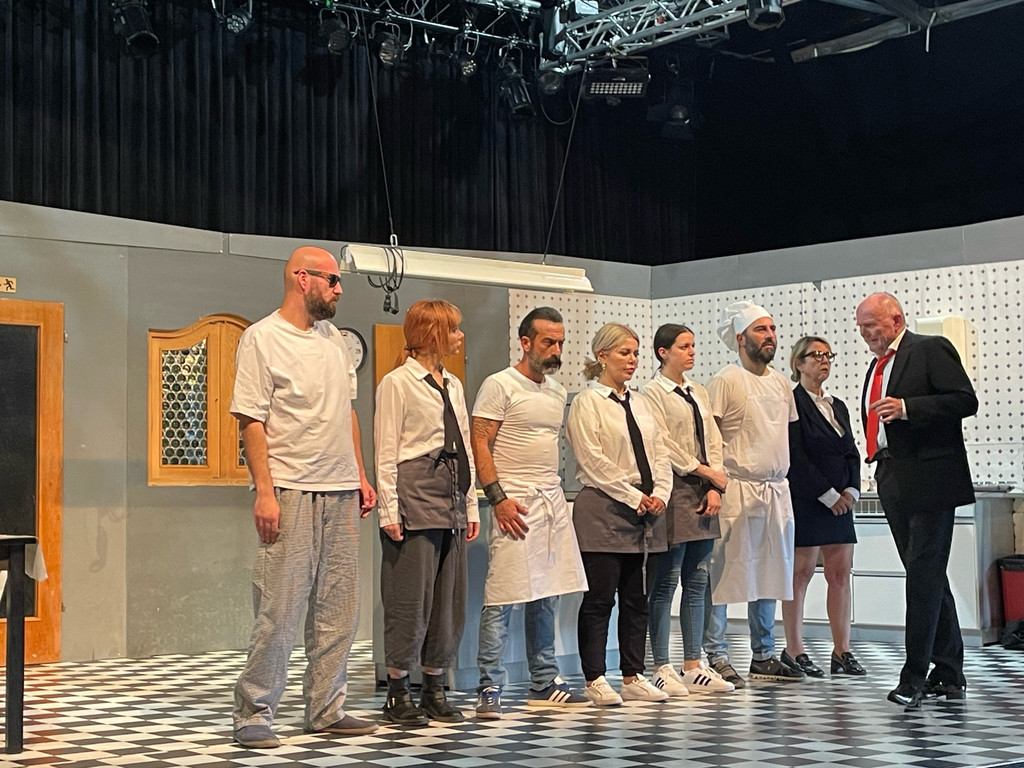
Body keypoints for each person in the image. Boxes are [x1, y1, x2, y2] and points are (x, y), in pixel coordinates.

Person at [230, 246, 379, 749]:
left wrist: (360, 475)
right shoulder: (261, 337)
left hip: (341, 489)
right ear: (302, 278)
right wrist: (265, 492)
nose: (339, 289)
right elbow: (251, 419)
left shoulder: (334, 339)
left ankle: (326, 707)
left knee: (339, 608)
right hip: (291, 487)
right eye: (332, 280)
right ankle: (254, 711)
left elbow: (347, 412)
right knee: (281, 607)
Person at [855, 292, 977, 709]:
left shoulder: (928, 349)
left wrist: (908, 407)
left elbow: (965, 400)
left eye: (872, 324)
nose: (866, 333)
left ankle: (914, 677)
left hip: (931, 477)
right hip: (892, 475)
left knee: (922, 578)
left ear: (895, 319)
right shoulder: (878, 365)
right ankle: (950, 672)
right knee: (928, 576)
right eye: (861, 327)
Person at [472, 307, 590, 719]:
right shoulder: (499, 384)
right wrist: (497, 497)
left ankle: (544, 680)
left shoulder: (557, 391)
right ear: (525, 343)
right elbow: (480, 442)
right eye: (547, 342)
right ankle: (489, 685)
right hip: (515, 500)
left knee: (547, 592)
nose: (556, 350)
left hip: (550, 500)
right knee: (503, 596)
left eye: (560, 342)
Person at [374, 299, 480, 726]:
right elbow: (386, 450)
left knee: (448, 598)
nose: (459, 336)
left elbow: (465, 444)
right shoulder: (397, 383)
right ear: (433, 334)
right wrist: (388, 509)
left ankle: (434, 688)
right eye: (453, 329)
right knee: (409, 597)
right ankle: (398, 692)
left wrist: (470, 504)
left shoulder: (453, 384)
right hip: (414, 492)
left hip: (451, 493)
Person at [566, 323, 672, 706]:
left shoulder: (642, 403)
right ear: (602, 356)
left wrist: (660, 493)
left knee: (637, 597)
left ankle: (633, 675)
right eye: (624, 352)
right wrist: (632, 495)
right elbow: (592, 460)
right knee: (599, 599)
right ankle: (594, 677)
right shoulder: (588, 402)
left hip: (646, 512)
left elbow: (661, 452)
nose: (632, 360)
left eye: (636, 353)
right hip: (605, 508)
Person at [704, 301, 804, 685]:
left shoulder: (780, 383)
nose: (770, 336)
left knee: (769, 572)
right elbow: (710, 438)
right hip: (736, 488)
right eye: (761, 330)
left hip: (776, 490)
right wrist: (713, 485)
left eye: (773, 329)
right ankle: (716, 653)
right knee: (724, 574)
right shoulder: (726, 379)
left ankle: (763, 654)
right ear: (741, 338)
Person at [641, 324, 735, 696]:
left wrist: (714, 485)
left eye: (693, 345)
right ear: (663, 352)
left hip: (704, 489)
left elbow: (713, 439)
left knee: (698, 579)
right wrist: (704, 472)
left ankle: (694, 664)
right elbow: (663, 443)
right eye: (684, 346)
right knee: (666, 579)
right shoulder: (652, 392)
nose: (692, 352)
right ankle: (661, 665)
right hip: (674, 486)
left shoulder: (698, 390)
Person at [782, 336, 865, 679]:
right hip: (808, 498)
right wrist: (828, 495)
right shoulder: (792, 402)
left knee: (840, 573)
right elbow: (795, 456)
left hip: (842, 502)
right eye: (815, 355)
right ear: (798, 363)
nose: (823, 360)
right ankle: (794, 649)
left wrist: (851, 490)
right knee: (800, 574)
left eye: (828, 355)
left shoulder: (837, 405)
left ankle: (842, 650)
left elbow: (851, 452)